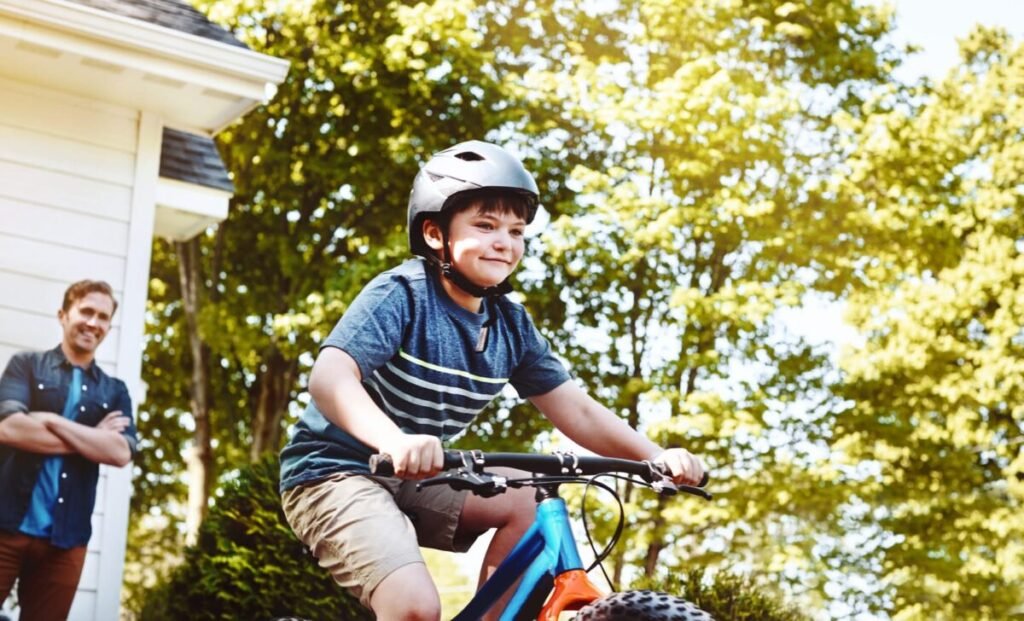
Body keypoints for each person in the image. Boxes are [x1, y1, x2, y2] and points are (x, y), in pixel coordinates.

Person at [279, 140, 704, 621]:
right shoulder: (402, 295)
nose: (505, 241)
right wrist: (393, 441)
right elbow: (330, 377)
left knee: (530, 500)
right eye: (485, 226)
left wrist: (654, 456)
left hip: (419, 473)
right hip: (334, 473)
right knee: (414, 608)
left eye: (516, 230)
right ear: (435, 234)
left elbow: (577, 409)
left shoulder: (510, 325)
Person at [0, 279, 138, 621]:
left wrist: (49, 420)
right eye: (86, 311)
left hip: (66, 541)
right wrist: (92, 439)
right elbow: (9, 428)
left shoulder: (114, 390)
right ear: (63, 315)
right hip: (5, 525)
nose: (94, 322)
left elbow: (120, 453)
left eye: (103, 317)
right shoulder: (26, 365)